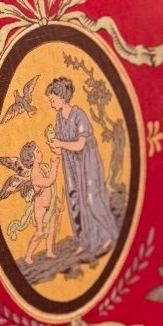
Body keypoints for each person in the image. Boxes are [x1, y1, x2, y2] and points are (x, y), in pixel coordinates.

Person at [46, 77, 116, 258]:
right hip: (71, 164)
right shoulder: (59, 117)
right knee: (75, 200)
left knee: (91, 198)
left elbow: (79, 145)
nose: (51, 103)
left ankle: (108, 234)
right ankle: (85, 240)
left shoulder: (79, 115)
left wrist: (60, 144)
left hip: (87, 162)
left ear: (62, 97)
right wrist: (56, 147)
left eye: (53, 99)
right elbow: (64, 148)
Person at [19, 141, 59, 265]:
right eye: (37, 152)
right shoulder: (35, 174)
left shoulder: (41, 169)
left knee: (52, 228)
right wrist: (54, 167)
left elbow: (50, 190)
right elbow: (48, 182)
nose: (41, 152)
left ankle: (49, 251)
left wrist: (57, 203)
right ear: (32, 158)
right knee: (40, 232)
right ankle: (28, 256)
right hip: (40, 208)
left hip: (50, 205)